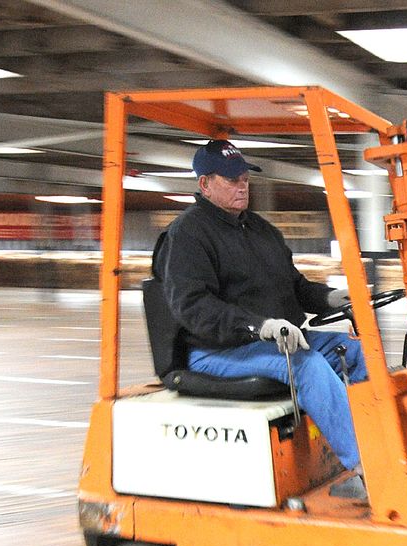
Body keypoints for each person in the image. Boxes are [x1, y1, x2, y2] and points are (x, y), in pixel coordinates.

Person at [157, 139, 368, 498]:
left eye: (244, 178)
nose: (242, 186)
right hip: (217, 349)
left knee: (352, 349)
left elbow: (294, 286)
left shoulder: (260, 230)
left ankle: (379, 446)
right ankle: (366, 467)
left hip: (271, 339)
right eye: (230, 180)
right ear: (204, 184)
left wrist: (333, 297)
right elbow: (193, 306)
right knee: (306, 364)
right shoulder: (188, 235)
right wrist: (260, 326)